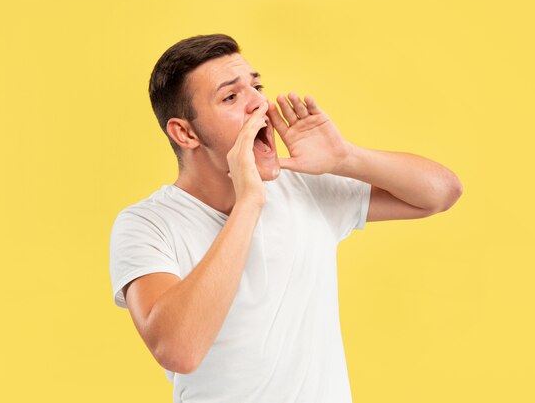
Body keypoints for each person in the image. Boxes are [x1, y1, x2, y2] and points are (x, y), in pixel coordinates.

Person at [109, 34, 462, 402]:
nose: (258, 103)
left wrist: (346, 158)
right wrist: (249, 203)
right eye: (231, 97)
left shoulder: (304, 187)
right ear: (186, 132)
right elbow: (179, 350)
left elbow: (441, 192)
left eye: (257, 86)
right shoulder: (147, 224)